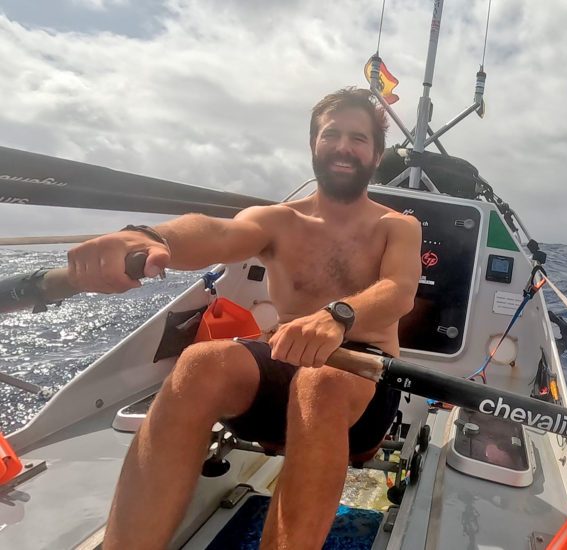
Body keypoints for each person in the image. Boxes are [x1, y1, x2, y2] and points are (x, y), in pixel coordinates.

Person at [66, 87, 422, 549]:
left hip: (362, 378)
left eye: (358, 138)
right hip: (284, 365)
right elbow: (219, 232)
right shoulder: (277, 220)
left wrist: (338, 316)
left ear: (375, 156)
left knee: (321, 382)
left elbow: (399, 291)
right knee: (199, 364)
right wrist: (148, 236)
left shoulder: (397, 226)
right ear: (314, 145)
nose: (343, 146)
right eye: (331, 134)